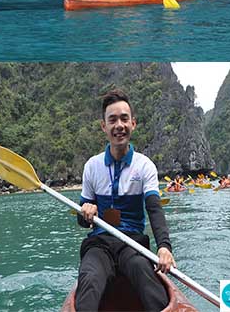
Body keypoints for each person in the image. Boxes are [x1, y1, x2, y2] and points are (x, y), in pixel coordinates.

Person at [76, 90, 174, 311]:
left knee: (144, 272)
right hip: (99, 244)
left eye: (124, 119)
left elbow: (154, 209)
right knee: (89, 277)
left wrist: (164, 247)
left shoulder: (145, 165)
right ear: (104, 126)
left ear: (133, 124)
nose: (118, 125)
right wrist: (86, 214)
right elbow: (82, 223)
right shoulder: (92, 166)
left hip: (133, 244)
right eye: (112, 120)